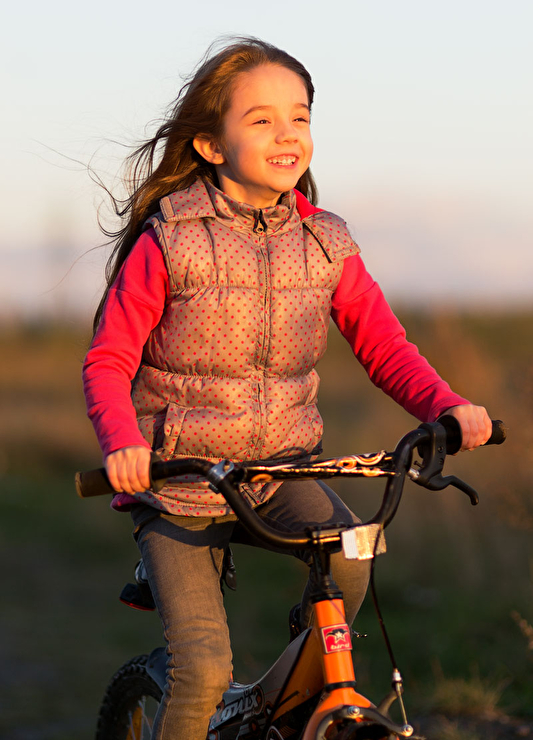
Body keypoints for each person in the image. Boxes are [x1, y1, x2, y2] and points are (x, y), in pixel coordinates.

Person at [83, 37, 492, 740]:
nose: (287, 135)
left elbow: (384, 345)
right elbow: (109, 359)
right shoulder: (172, 239)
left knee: (353, 550)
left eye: (299, 118)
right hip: (180, 482)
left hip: (280, 471)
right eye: (262, 120)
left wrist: (446, 407)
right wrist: (123, 442)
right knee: (200, 672)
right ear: (211, 145)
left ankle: (290, 700)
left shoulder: (325, 241)